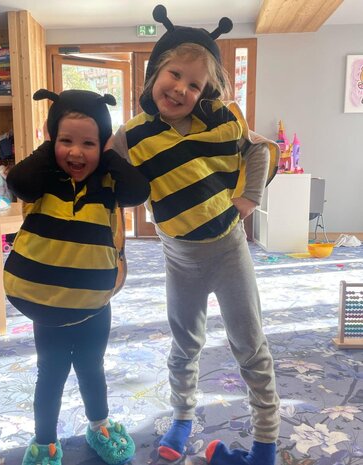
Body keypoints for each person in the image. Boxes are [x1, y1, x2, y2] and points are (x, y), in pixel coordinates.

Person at [112, 5, 281, 465]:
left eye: (194, 84)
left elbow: (263, 150)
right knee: (185, 344)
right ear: (154, 74)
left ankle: (266, 446)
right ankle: (182, 418)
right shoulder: (133, 134)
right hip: (178, 257)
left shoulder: (225, 120)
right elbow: (103, 172)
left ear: (206, 92)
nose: (181, 88)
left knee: (251, 346)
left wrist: (248, 198)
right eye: (174, 74)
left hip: (229, 251)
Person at [4, 88, 150, 465]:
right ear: (52, 139)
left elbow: (139, 190)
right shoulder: (43, 180)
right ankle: (45, 442)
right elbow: (17, 182)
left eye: (89, 143)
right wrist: (48, 146)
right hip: (47, 306)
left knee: (91, 368)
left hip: (93, 306)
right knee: (49, 375)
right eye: (65, 140)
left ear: (102, 145)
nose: (76, 152)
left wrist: (109, 155)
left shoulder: (108, 184)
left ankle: (98, 424)